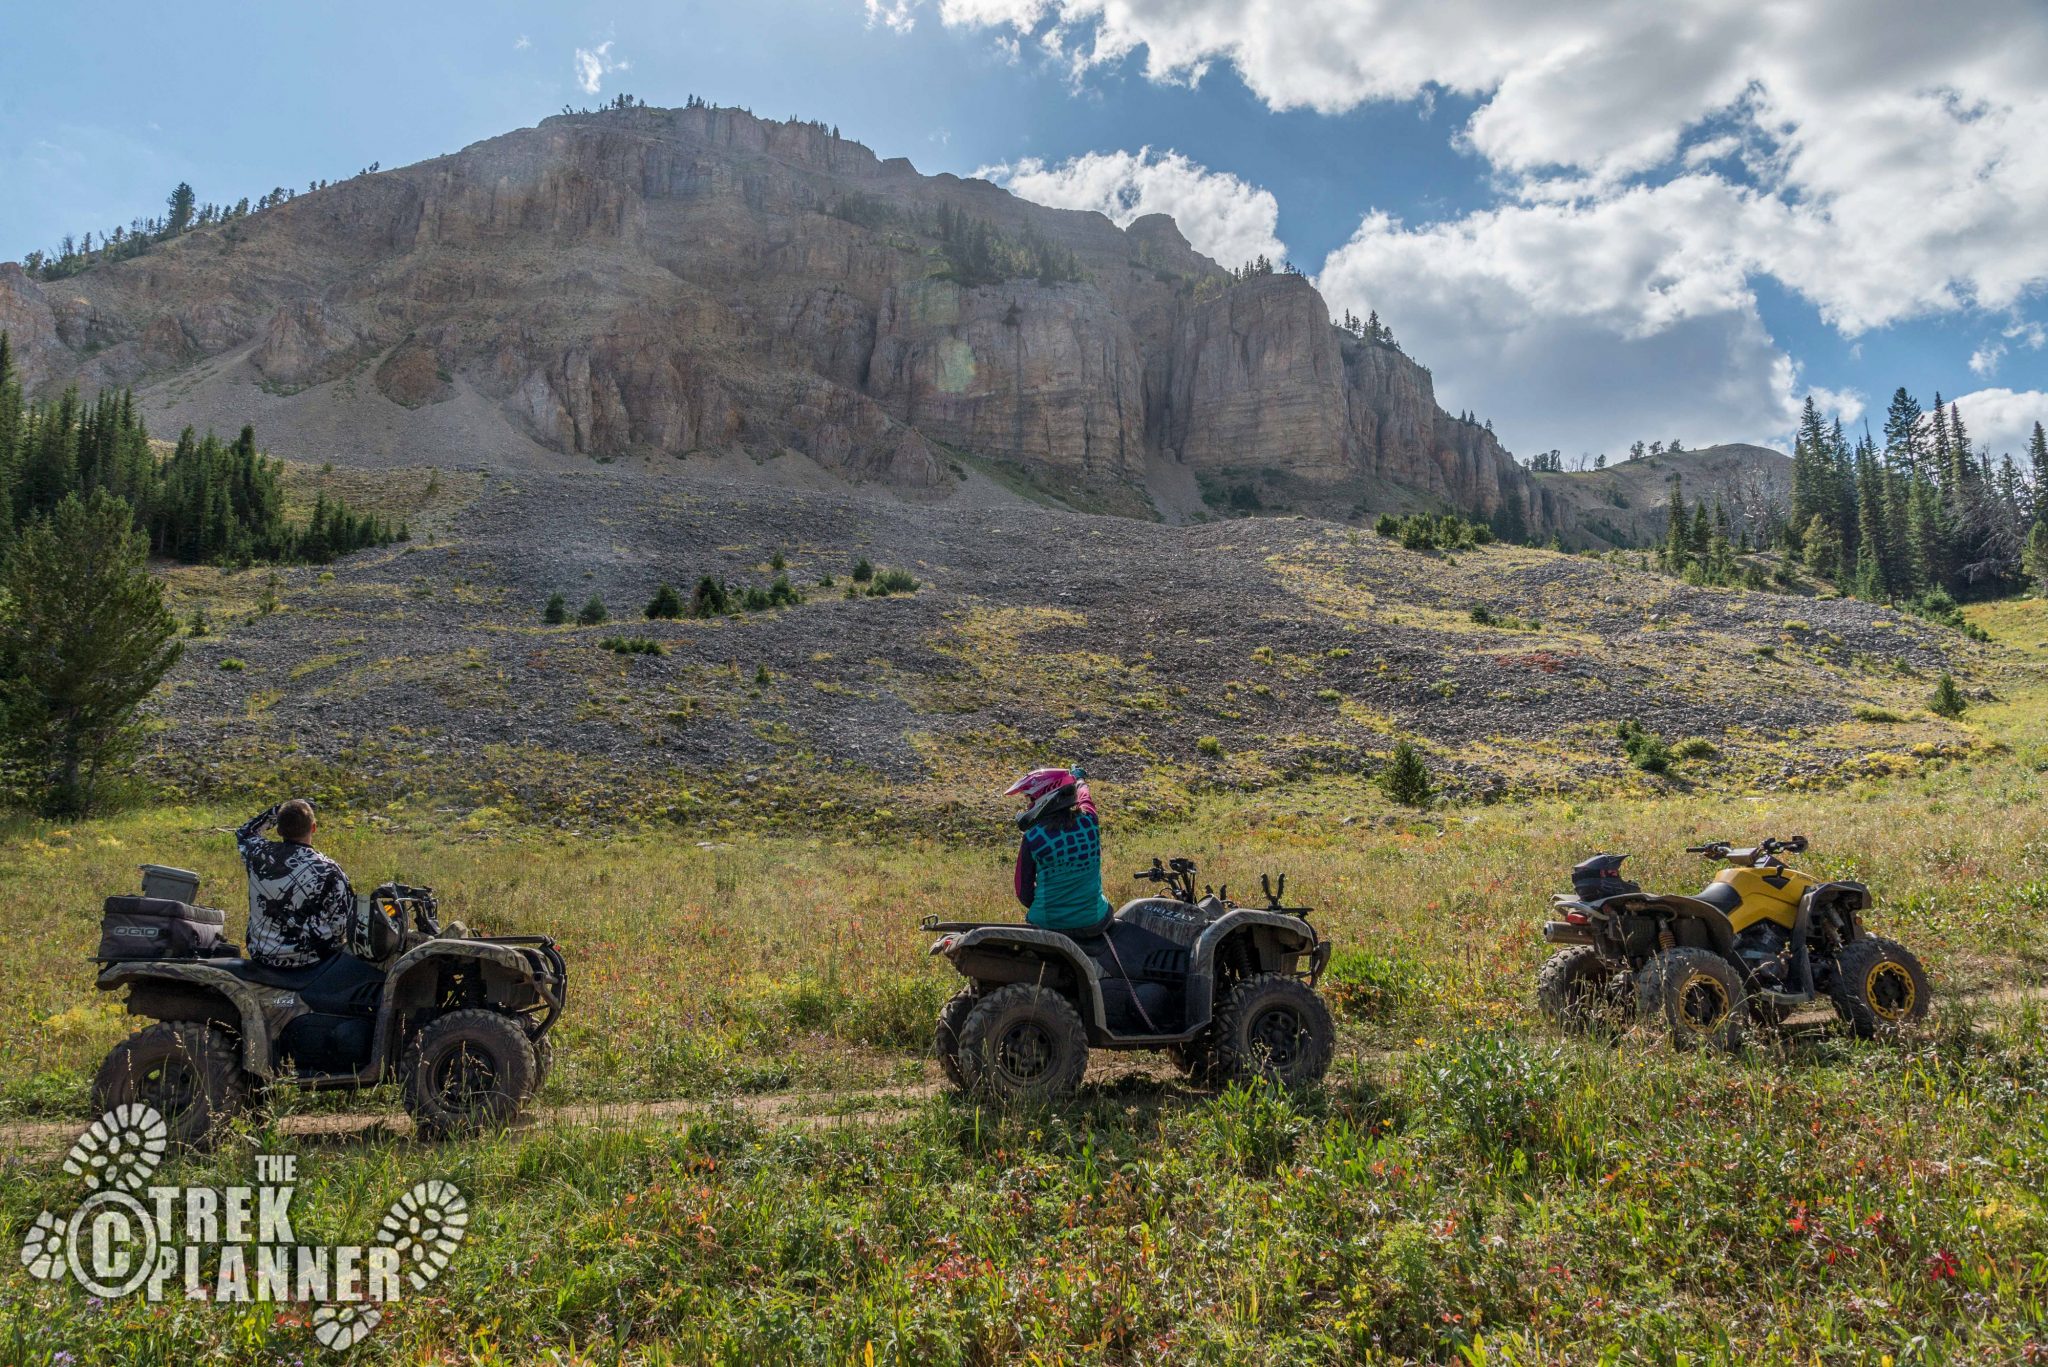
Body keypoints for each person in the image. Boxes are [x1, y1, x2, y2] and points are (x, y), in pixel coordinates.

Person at [236, 798, 356, 968]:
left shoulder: (258, 854)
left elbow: (245, 831)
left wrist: (281, 808)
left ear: (278, 830)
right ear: (313, 828)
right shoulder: (329, 870)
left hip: (261, 955)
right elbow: (341, 927)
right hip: (310, 961)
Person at [1007, 766, 1111, 933]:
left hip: (1047, 924)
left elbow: (1023, 892)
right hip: (1094, 920)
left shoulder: (1033, 837)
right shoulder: (1090, 820)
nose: (1029, 806)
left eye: (1031, 799)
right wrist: (1079, 779)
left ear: (1045, 797)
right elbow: (1085, 795)